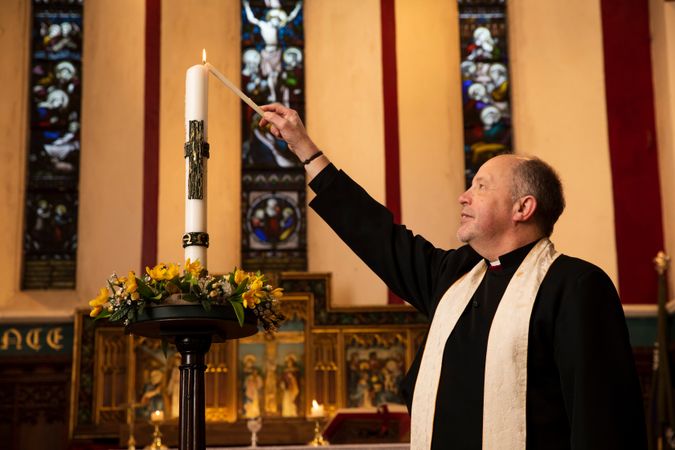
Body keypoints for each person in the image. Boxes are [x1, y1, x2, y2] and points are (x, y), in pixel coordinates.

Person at [259, 103, 647, 449]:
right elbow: (377, 236)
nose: (463, 196)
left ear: (523, 207)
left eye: (480, 186)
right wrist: (304, 148)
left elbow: (604, 422)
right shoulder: (456, 276)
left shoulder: (575, 286)